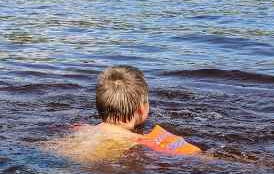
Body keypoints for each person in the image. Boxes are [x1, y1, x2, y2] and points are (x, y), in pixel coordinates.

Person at [41, 65, 201, 163]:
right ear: (141, 109)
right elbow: (197, 158)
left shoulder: (82, 129)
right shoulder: (141, 141)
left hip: (49, 157)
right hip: (75, 172)